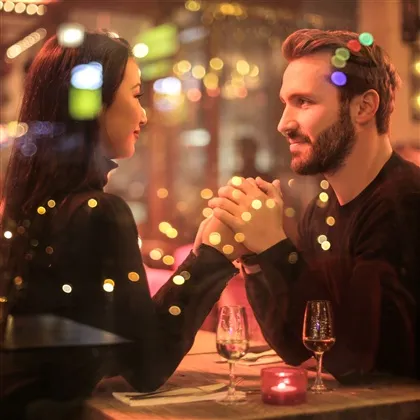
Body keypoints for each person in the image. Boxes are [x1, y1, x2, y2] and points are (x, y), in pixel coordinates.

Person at [0, 32, 241, 418]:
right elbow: (147, 366)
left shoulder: (30, 207)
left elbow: (113, 346)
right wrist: (214, 255)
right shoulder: (98, 213)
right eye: (136, 95)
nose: (144, 115)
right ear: (95, 105)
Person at [207, 29, 420, 384]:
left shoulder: (405, 204)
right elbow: (299, 346)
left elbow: (359, 362)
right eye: (285, 102)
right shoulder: (321, 211)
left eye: (304, 102)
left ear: (364, 107)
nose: (283, 124)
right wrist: (255, 257)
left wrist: (275, 248)